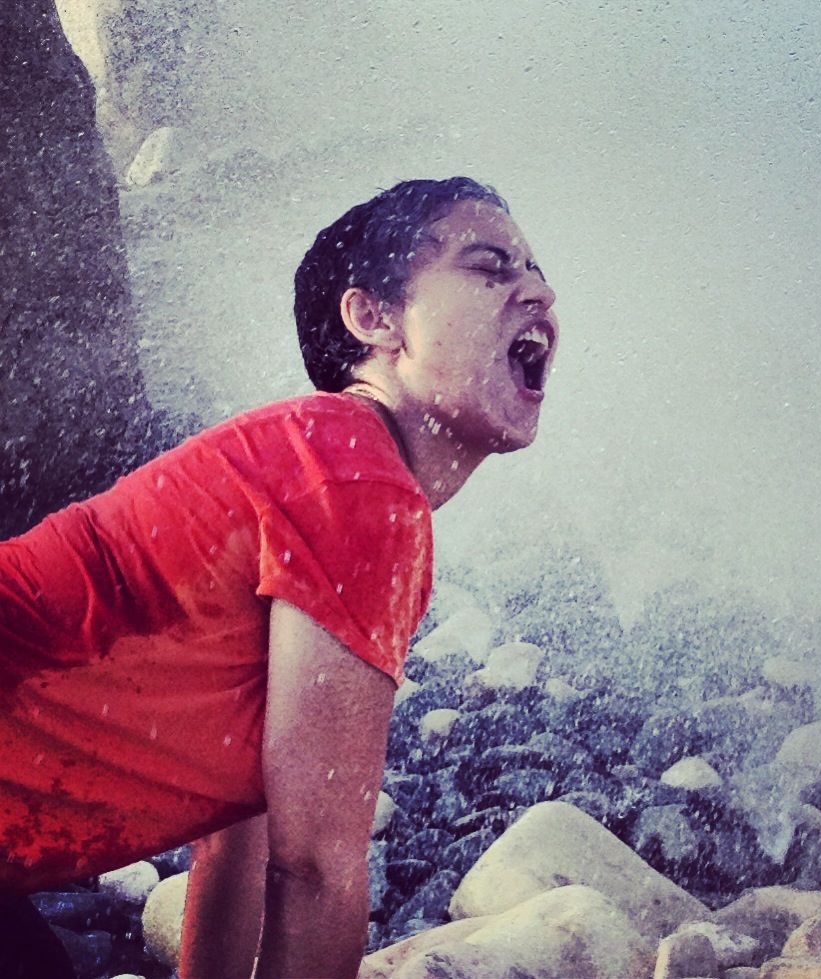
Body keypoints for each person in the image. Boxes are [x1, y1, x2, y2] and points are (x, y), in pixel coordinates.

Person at [0, 176, 558, 978]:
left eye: (535, 269)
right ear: (374, 319)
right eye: (489, 266)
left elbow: (241, 845)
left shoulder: (325, 472)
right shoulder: (354, 478)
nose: (536, 289)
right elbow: (318, 872)